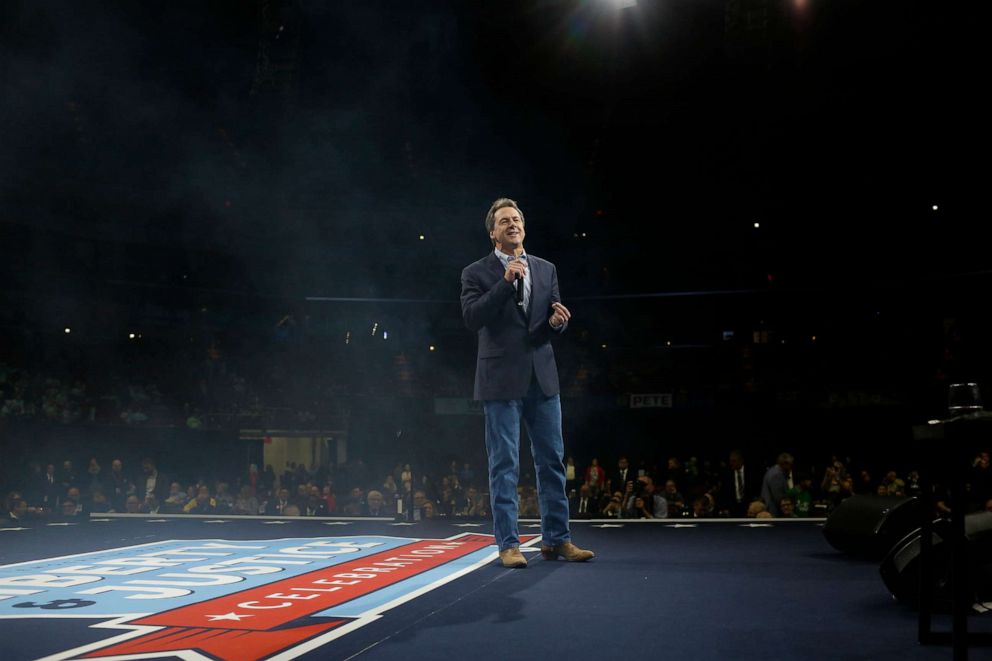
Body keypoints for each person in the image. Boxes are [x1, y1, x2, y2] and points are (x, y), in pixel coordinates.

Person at [460, 197, 594, 568]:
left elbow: (552, 314)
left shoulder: (546, 269)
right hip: (500, 381)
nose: (513, 224)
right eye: (504, 221)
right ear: (493, 233)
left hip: (542, 378)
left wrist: (558, 322)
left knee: (551, 461)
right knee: (504, 464)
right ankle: (508, 545)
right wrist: (505, 283)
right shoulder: (476, 272)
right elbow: (472, 318)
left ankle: (557, 539)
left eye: (517, 218)